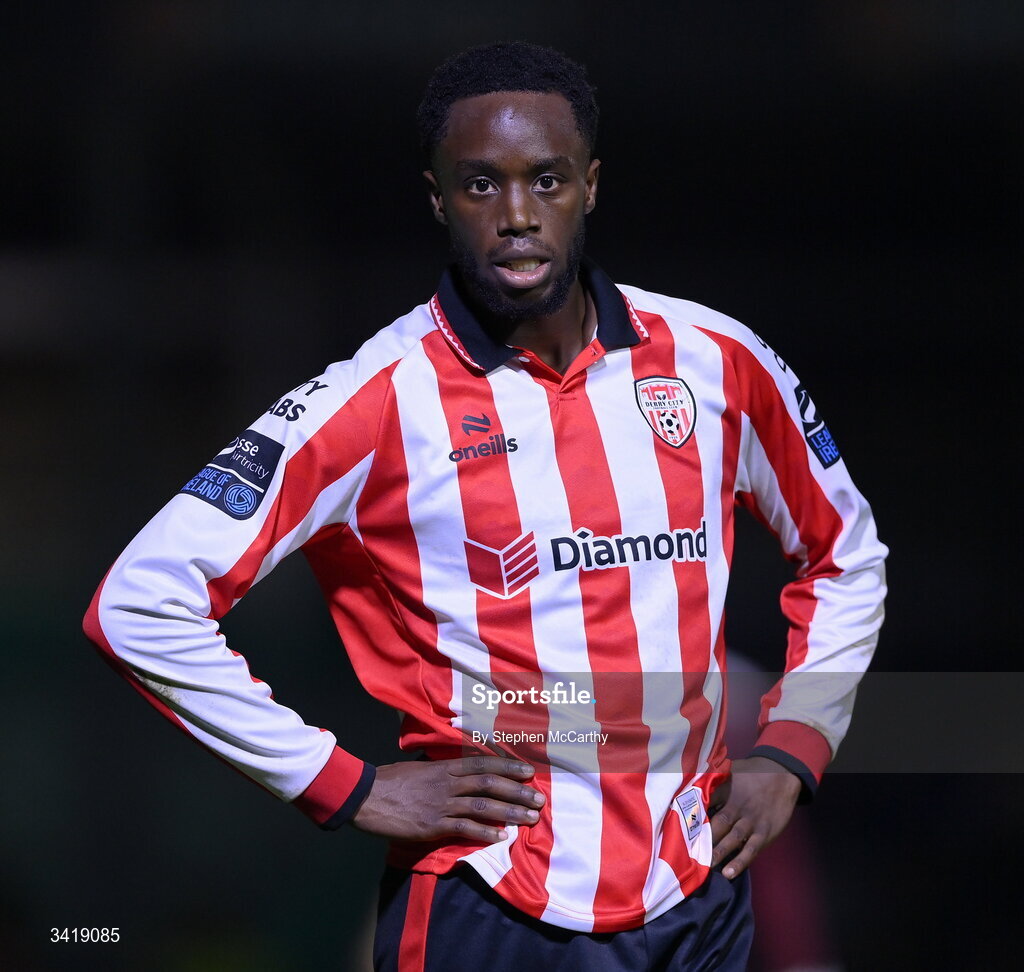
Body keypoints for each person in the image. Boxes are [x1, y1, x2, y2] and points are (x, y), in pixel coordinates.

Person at [84, 42, 887, 970]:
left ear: (591, 185)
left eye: (545, 180)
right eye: (480, 186)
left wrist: (794, 747)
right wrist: (347, 787)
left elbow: (847, 554)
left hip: (696, 900)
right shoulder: (374, 399)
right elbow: (139, 603)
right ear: (437, 199)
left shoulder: (716, 361)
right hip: (487, 905)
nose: (515, 215)